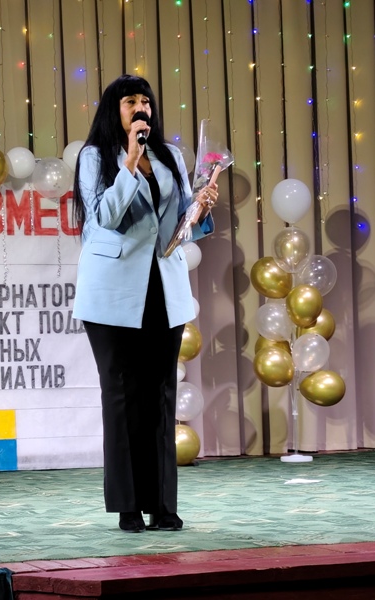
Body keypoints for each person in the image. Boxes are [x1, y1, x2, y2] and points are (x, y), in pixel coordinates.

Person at [71, 74, 218, 533]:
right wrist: (130, 165)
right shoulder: (95, 157)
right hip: (112, 294)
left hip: (163, 289)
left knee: (160, 397)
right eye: (130, 101)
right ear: (114, 110)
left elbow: (179, 229)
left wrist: (201, 209)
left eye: (145, 101)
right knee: (122, 397)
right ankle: (128, 506)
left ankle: (163, 505)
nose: (141, 108)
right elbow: (104, 217)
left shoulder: (170, 155)